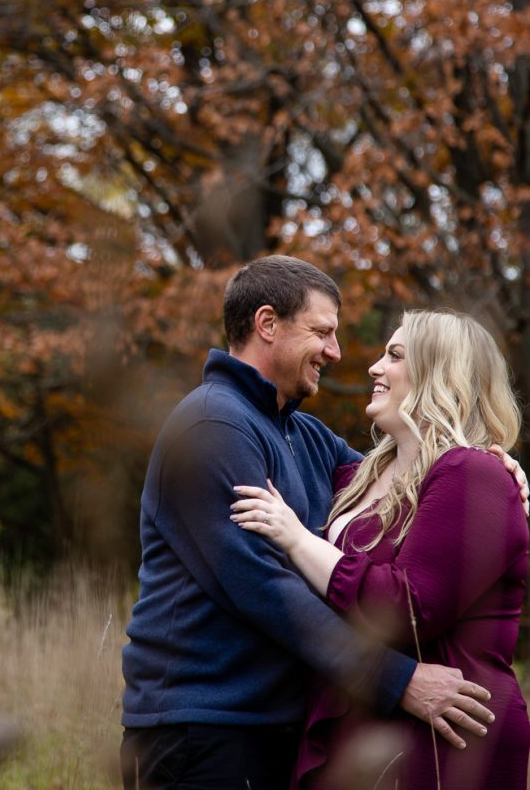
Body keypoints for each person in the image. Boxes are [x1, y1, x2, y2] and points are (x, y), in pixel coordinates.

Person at [121, 257, 511, 790]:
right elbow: (264, 587)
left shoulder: (302, 435)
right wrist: (399, 681)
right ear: (267, 324)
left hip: (274, 727)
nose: (337, 352)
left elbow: (409, 477)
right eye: (323, 332)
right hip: (203, 728)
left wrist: (492, 467)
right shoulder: (212, 426)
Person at [232, 308, 530, 789]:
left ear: (440, 374)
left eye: (394, 355)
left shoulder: (475, 475)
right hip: (365, 727)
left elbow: (407, 607)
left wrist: (295, 537)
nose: (373, 367)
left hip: (446, 738)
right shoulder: (356, 477)